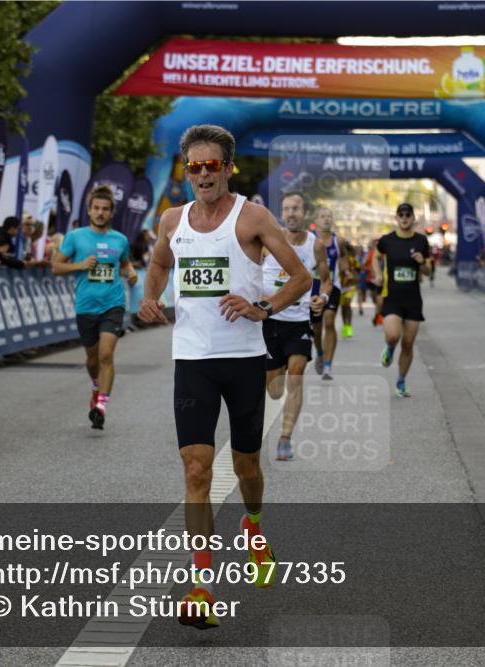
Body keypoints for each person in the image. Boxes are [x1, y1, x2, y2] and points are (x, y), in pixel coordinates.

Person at [137, 124, 310, 630]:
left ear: (229, 168)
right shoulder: (172, 219)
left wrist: (263, 305)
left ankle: (253, 527)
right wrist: (151, 297)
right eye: (195, 166)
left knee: (246, 469)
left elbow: (300, 277)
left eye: (213, 165)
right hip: (191, 358)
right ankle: (201, 586)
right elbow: (159, 263)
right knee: (196, 469)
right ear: (186, 170)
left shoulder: (252, 216)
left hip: (241, 359)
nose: (204, 174)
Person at [52, 185, 137, 430]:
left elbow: (125, 263)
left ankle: (101, 406)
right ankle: (96, 386)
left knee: (106, 355)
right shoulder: (75, 237)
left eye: (105, 209)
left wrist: (130, 274)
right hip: (86, 305)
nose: (100, 213)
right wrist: (79, 266)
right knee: (91, 360)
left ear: (111, 212)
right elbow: (56, 267)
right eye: (96, 208)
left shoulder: (120, 240)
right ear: (89, 210)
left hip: (113, 303)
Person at [262, 191, 330, 460]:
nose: (291, 214)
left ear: (305, 213)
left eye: (296, 209)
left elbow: (326, 279)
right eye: (287, 209)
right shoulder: (269, 241)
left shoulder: (315, 246)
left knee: (297, 374)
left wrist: (321, 297)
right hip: (270, 321)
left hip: (299, 321)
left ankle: (285, 437)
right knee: (274, 388)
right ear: (282, 213)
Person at [373, 203, 431, 398]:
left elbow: (428, 272)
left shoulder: (422, 241)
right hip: (393, 298)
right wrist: (377, 274)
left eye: (408, 215)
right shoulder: (387, 240)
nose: (405, 218)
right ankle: (389, 348)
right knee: (392, 336)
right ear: (396, 218)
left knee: (407, 344)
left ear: (413, 218)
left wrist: (422, 262)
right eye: (401, 215)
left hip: (413, 299)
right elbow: (375, 256)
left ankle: (401, 381)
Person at [309, 206, 344, 380]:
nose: (326, 219)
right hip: (313, 287)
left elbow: (343, 259)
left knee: (329, 320)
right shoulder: (310, 240)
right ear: (316, 221)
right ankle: (320, 353)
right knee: (316, 327)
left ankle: (328, 366)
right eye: (322, 216)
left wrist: (347, 271)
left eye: (329, 216)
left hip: (333, 285)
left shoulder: (339, 241)